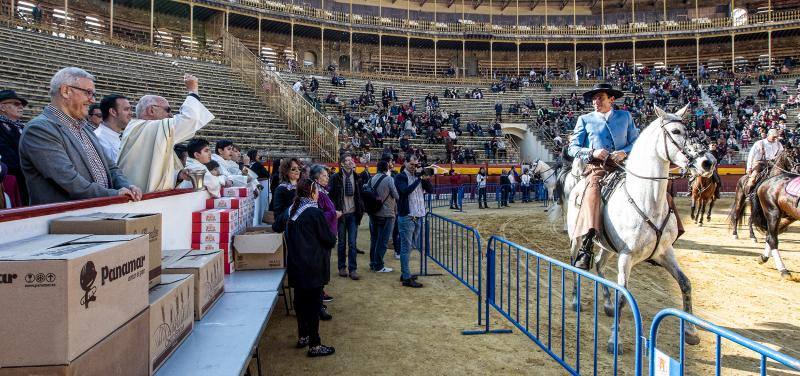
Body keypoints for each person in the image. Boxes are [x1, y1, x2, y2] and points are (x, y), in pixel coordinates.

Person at [19, 67, 142, 205]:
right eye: (88, 93)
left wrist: (125, 185)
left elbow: (111, 168)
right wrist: (113, 194)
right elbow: (68, 180)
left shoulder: (86, 129)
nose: (92, 100)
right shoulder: (39, 129)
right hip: (63, 220)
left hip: (94, 213)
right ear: (66, 91)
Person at [567, 83, 639, 271]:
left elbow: (636, 141)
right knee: (592, 192)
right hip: (597, 168)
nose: (595, 101)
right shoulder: (585, 119)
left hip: (623, 166)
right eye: (594, 98)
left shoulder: (625, 116)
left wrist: (624, 151)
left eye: (600, 97)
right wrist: (593, 151)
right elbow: (572, 148)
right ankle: (588, 244)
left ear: (611, 99)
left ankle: (661, 237)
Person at [117, 74, 214, 193]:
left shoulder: (145, 130)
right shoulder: (147, 128)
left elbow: (154, 171)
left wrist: (177, 175)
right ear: (151, 110)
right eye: (167, 110)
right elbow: (190, 119)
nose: (170, 115)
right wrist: (193, 91)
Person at [283, 178, 337, 357]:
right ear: (312, 192)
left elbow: (277, 226)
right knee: (313, 306)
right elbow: (329, 239)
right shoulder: (314, 212)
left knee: (300, 302)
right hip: (312, 265)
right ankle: (315, 344)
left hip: (296, 263)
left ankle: (303, 336)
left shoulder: (292, 210)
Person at [395, 154, 432, 287]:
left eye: (416, 164)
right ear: (405, 163)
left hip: (418, 216)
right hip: (407, 216)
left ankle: (405, 272)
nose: (414, 167)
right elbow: (405, 191)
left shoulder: (419, 176)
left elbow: (430, 190)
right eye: (412, 164)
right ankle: (406, 278)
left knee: (411, 246)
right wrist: (417, 178)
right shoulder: (400, 177)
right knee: (406, 247)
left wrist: (425, 178)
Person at [329, 154, 364, 280]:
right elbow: (331, 195)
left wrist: (361, 208)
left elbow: (360, 195)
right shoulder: (335, 177)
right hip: (341, 214)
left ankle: (353, 269)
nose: (350, 162)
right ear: (342, 163)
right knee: (342, 243)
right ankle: (342, 267)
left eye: (351, 160)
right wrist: (336, 210)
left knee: (353, 243)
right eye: (347, 160)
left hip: (354, 214)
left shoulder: (357, 177)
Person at [309, 164, 338, 311]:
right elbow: (318, 216)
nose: (327, 177)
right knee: (322, 265)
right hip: (322, 235)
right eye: (324, 175)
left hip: (326, 233)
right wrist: (334, 214)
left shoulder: (321, 191)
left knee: (324, 264)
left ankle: (320, 292)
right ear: (316, 177)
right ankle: (319, 294)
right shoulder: (316, 193)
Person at [367, 160, 399, 273]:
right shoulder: (389, 179)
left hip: (373, 212)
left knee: (374, 239)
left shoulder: (372, 178)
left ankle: (373, 263)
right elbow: (396, 195)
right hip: (386, 213)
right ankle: (379, 265)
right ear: (387, 169)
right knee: (383, 240)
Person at [0, 90, 29, 206]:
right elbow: (7, 156)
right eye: (16, 104)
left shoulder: (23, 126)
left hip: (26, 178)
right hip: (12, 179)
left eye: (22, 105)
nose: (21, 107)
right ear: (2, 107)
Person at [94, 94, 132, 163]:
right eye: (126, 109)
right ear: (113, 112)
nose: (130, 113)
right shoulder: (99, 138)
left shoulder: (118, 135)